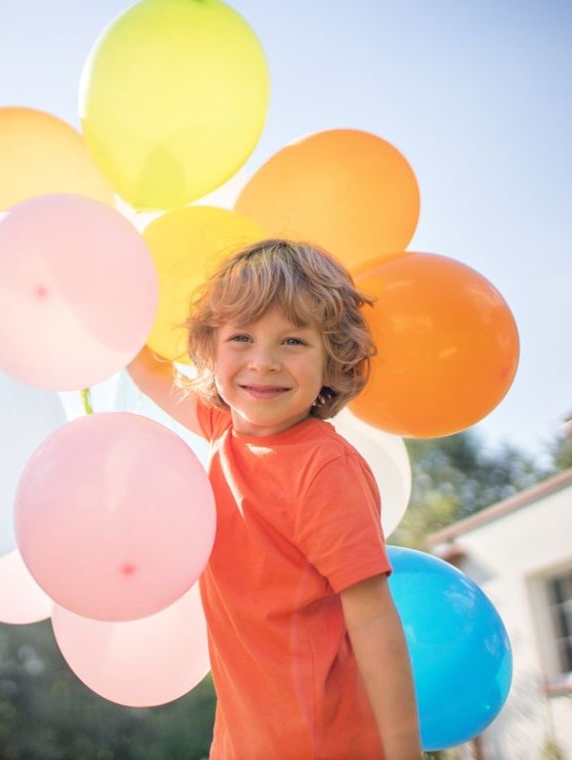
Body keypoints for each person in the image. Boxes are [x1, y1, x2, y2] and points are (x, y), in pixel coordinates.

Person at [127, 239, 421, 759]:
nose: (262, 363)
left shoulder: (324, 469)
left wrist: (403, 752)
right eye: (241, 337)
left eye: (293, 342)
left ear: (333, 361)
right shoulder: (225, 432)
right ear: (210, 350)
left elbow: (373, 618)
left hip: (323, 744)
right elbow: (148, 371)